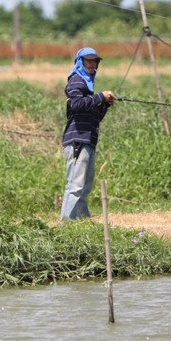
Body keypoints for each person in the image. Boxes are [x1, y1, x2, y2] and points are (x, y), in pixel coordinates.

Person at [60, 47, 116, 221]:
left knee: (84, 185)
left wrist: (105, 104)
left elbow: (94, 117)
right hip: (77, 140)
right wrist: (100, 96)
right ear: (80, 62)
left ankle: (82, 222)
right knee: (75, 185)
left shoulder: (87, 88)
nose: (92, 64)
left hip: (88, 140)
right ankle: (67, 224)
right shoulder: (77, 80)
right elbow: (76, 104)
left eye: (95, 61)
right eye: (88, 60)